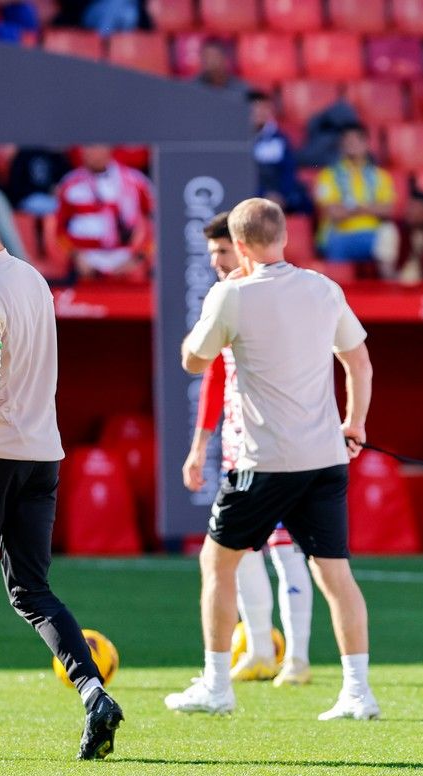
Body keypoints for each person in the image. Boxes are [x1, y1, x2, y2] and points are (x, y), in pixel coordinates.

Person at [166, 197, 378, 720]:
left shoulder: (230, 294)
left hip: (262, 462)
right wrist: (355, 422)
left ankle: (217, 684)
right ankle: (358, 691)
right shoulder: (325, 289)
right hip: (325, 457)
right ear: (285, 238)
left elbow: (194, 361)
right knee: (335, 574)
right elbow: (359, 362)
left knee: (217, 562)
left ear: (238, 245)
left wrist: (214, 308)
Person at [0, 235, 125, 759]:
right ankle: (95, 694)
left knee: (30, 591)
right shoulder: (32, 279)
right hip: (41, 451)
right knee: (32, 591)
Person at [181, 212, 315, 686]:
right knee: (241, 551)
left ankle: (297, 659)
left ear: (240, 247)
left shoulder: (268, 295)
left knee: (287, 550)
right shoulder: (230, 296)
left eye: (221, 251)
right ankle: (260, 647)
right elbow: (215, 376)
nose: (216, 261)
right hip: (243, 447)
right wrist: (201, 445)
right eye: (212, 254)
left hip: (282, 447)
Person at [54, 144, 154, 280]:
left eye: (95, 147)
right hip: (85, 262)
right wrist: (76, 255)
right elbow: (58, 230)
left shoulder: (135, 181)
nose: (89, 152)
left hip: (126, 260)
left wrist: (139, 257)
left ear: (108, 149)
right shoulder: (69, 183)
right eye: (86, 147)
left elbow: (156, 223)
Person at [313, 123, 395, 263]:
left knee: (390, 241)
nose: (352, 145)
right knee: (336, 244)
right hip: (340, 234)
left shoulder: (380, 176)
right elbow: (333, 212)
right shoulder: (327, 175)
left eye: (357, 140)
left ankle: (391, 285)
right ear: (341, 145)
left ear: (366, 144)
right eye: (347, 141)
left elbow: (388, 209)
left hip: (373, 234)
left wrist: (353, 208)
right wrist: (369, 208)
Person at [248, 91, 309, 215]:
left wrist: (281, 195)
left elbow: (289, 171)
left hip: (276, 196)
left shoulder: (280, 139)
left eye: (264, 108)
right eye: (255, 108)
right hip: (248, 195)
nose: (259, 112)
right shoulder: (233, 140)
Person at [374, 191, 423, 283]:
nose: (410, 212)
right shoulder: (390, 230)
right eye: (409, 208)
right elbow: (386, 271)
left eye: (416, 209)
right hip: (397, 289)